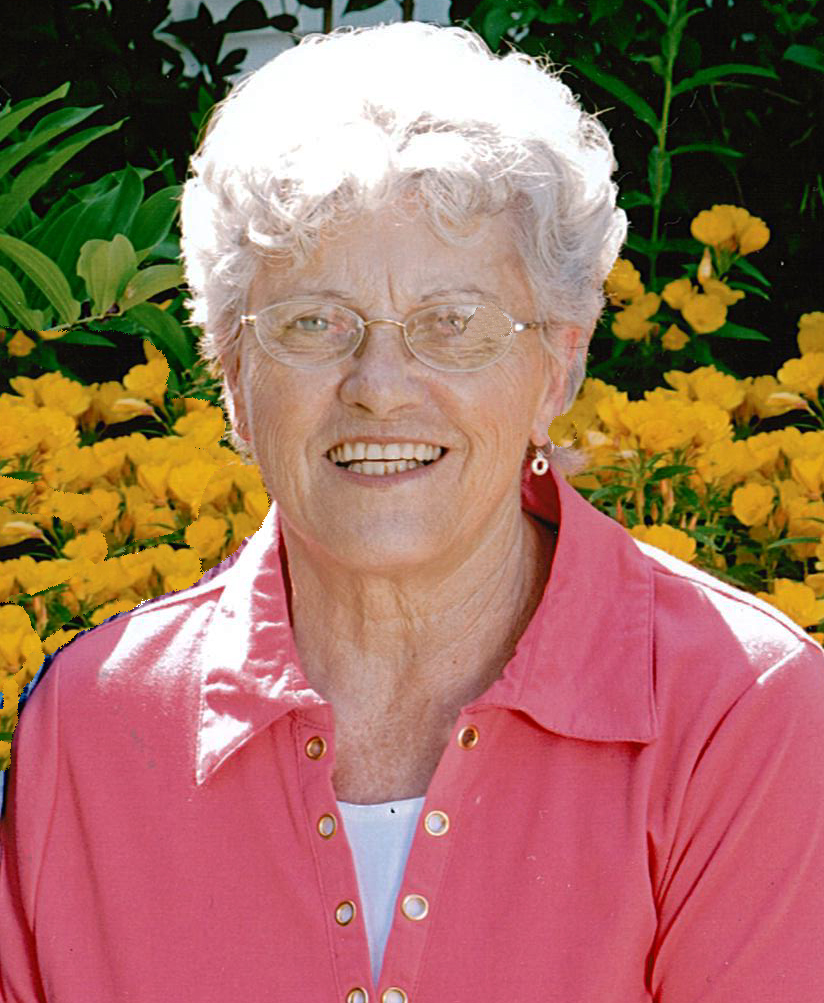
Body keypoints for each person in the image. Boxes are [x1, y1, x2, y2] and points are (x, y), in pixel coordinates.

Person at [2, 20, 824, 1003]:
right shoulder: (93, 725)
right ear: (231, 373)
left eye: (452, 323)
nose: (380, 386)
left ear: (557, 365)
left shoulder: (738, 710)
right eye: (313, 322)